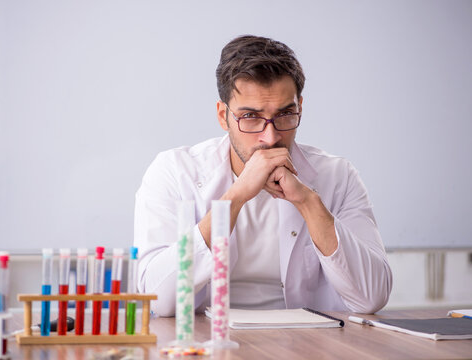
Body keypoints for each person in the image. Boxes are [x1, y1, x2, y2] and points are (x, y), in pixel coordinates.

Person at [134, 35, 392, 317]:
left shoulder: (337, 176)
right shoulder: (174, 171)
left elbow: (372, 298)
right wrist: (236, 197)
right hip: (208, 343)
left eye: (285, 114)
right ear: (223, 116)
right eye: (250, 117)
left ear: (300, 108)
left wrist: (308, 202)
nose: (270, 137)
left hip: (309, 344)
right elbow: (158, 300)